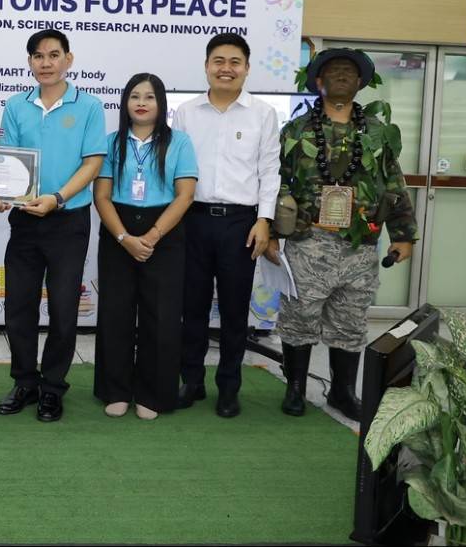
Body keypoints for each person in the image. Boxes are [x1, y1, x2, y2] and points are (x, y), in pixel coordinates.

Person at [265, 48, 416, 420]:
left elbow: (393, 183)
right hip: (308, 241)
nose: (343, 76)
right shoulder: (295, 131)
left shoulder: (378, 133)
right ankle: (295, 389)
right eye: (334, 71)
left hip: (359, 244)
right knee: (299, 316)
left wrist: (403, 234)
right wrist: (269, 231)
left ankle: (343, 392)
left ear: (361, 82)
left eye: (350, 71)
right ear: (319, 82)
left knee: (350, 320)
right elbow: (274, 183)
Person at [0, 29, 105, 422]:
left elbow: (93, 163)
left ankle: (53, 388)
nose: (46, 63)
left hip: (68, 220)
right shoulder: (15, 105)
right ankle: (24, 382)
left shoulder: (89, 106)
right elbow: (7, 163)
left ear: (68, 59)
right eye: (38, 56)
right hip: (25, 220)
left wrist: (58, 197)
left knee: (64, 309)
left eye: (54, 55)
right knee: (18, 307)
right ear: (30, 62)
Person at [171, 33, 280, 419]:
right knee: (192, 308)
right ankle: (191, 380)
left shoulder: (262, 114)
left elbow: (270, 171)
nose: (226, 69)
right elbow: (174, 168)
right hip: (193, 220)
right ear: (206, 66)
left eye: (235, 62)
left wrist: (264, 220)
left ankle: (229, 387)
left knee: (235, 311)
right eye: (218, 61)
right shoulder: (186, 113)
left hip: (241, 224)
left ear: (247, 68)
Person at [93, 73, 197, 419]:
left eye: (149, 97)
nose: (141, 103)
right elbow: (102, 196)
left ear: (161, 103)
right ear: (125, 102)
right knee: (116, 313)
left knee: (161, 316)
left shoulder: (179, 142)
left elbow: (185, 196)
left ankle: (153, 394)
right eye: (135, 96)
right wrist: (124, 238)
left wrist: (151, 237)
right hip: (118, 231)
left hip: (164, 233)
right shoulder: (111, 142)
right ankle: (115, 390)